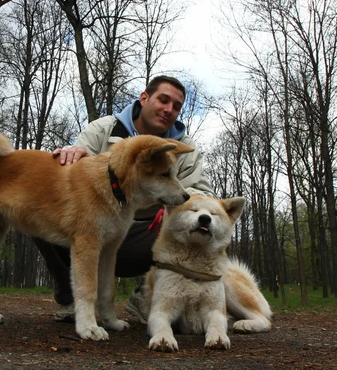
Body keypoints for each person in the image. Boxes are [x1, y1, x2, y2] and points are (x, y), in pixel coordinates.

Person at [33, 75, 215, 323]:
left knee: (196, 225)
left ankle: (148, 295)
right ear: (144, 97)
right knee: (39, 205)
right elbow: (72, 180)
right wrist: (73, 155)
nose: (169, 110)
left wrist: (179, 207)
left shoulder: (185, 148)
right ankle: (71, 297)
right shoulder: (104, 129)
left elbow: (203, 193)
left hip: (147, 234)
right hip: (97, 223)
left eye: (176, 106)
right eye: (163, 100)